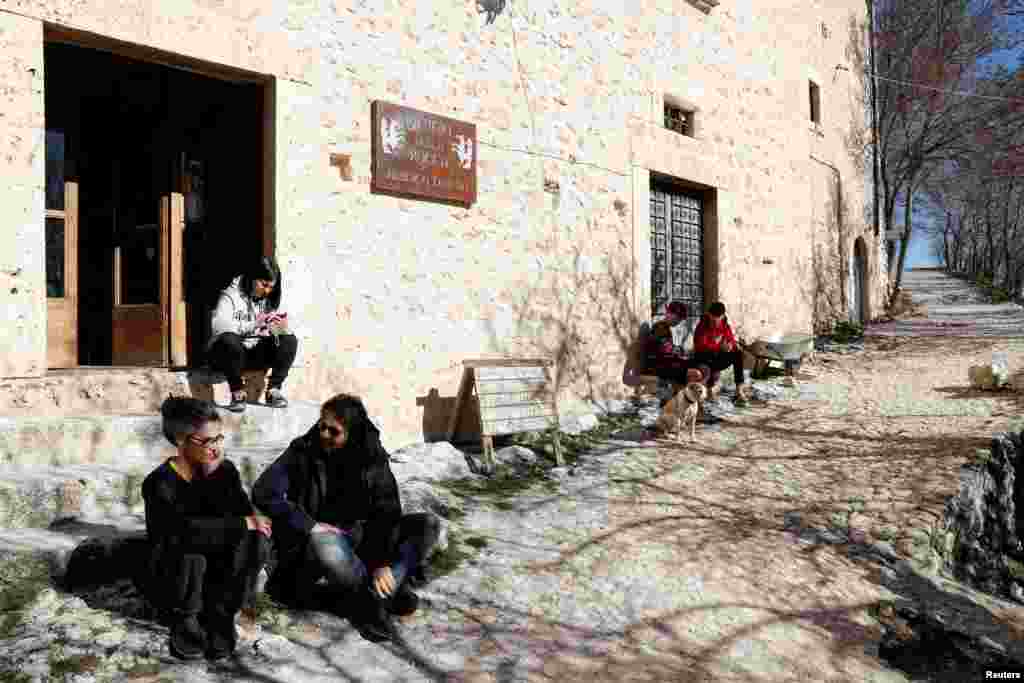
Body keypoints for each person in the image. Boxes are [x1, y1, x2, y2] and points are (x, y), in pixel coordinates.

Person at [252, 394, 440, 643]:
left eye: (334, 431)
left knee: (428, 524)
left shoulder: (372, 457)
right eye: (322, 426)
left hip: (363, 541)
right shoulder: (303, 450)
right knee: (326, 544)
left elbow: (387, 511)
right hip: (317, 546)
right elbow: (263, 491)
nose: (324, 434)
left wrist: (382, 562)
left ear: (353, 433)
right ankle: (376, 599)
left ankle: (378, 590)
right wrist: (309, 524)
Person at [141, 396, 273, 661]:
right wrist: (238, 523)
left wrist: (217, 481)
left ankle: (222, 613)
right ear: (181, 441)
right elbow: (179, 533)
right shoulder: (160, 482)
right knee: (191, 545)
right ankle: (185, 618)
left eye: (219, 438)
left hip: (218, 578)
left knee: (256, 536)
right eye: (207, 441)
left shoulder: (225, 471)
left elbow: (244, 516)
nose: (216, 447)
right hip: (178, 577)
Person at [207, 255, 298, 413]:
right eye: (264, 285)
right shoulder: (229, 296)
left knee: (289, 340)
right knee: (229, 340)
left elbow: (271, 328)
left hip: (252, 354)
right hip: (227, 357)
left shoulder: (267, 298)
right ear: (252, 278)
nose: (267, 290)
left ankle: (274, 390)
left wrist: (277, 328)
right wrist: (254, 324)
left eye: (271, 287)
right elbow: (219, 327)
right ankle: (237, 393)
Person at [693, 301, 748, 402]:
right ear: (709, 314)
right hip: (703, 358)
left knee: (738, 354)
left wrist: (730, 346)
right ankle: (709, 390)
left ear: (723, 316)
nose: (716, 321)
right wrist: (718, 347)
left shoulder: (725, 325)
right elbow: (700, 346)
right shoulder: (702, 326)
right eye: (713, 318)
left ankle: (739, 390)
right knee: (708, 357)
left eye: (719, 318)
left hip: (717, 357)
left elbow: (731, 340)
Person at [645, 301, 700, 385]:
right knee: (695, 373)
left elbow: (668, 349)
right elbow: (667, 349)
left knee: (695, 364)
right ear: (670, 314)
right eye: (679, 318)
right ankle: (686, 395)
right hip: (658, 367)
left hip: (663, 363)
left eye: (680, 319)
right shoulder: (660, 328)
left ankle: (682, 394)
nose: (679, 321)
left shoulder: (664, 327)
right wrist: (684, 352)